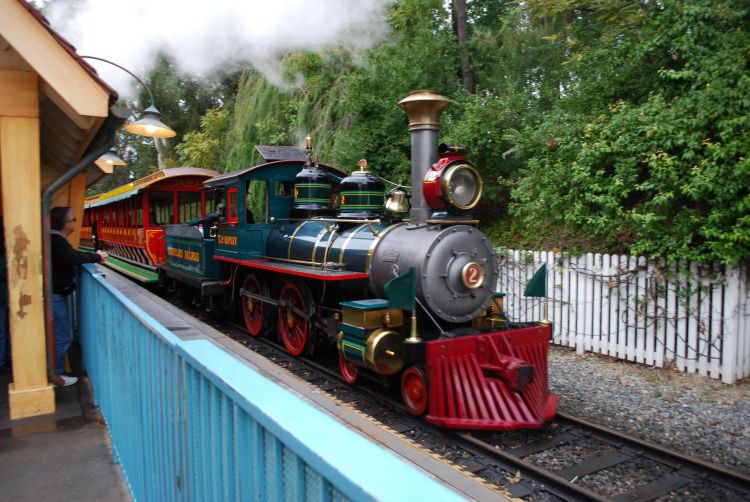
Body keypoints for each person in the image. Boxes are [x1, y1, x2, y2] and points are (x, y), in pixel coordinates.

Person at [50, 206, 108, 386]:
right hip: (55, 295)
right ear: (66, 224)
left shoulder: (55, 239)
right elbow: (72, 257)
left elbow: (71, 255)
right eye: (73, 219)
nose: (76, 221)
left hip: (57, 293)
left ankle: (57, 372)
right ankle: (56, 375)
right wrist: (97, 257)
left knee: (61, 334)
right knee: (62, 336)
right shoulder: (56, 240)